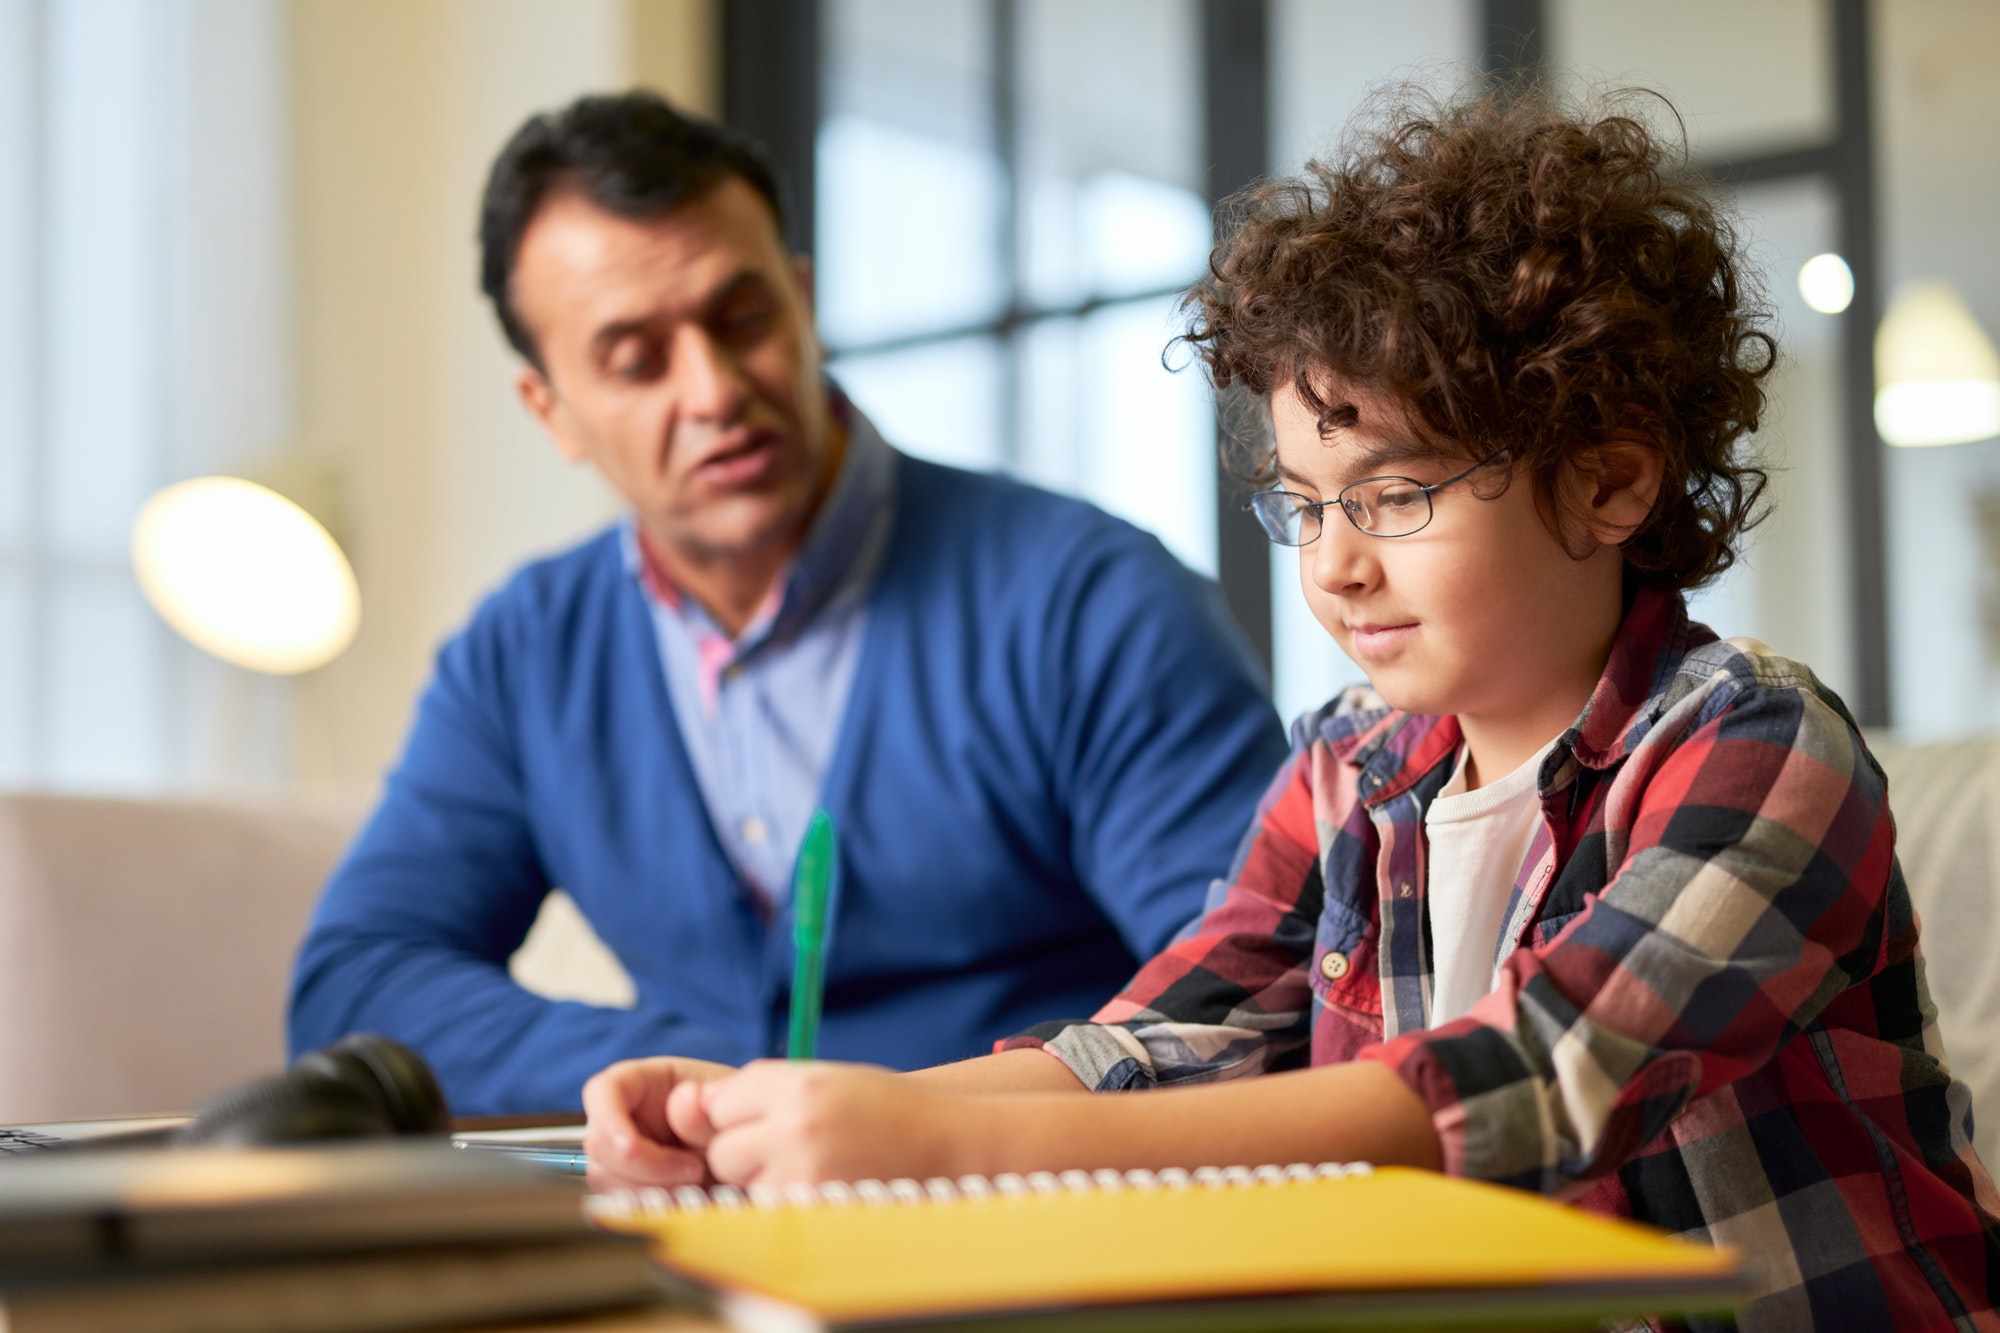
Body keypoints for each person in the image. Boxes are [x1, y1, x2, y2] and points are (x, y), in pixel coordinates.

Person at [582, 87, 2000, 1330]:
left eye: (1394, 495)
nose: (1334, 562)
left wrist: (943, 1155)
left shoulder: (1752, 744)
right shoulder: (1347, 769)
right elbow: (1146, 1050)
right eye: (1306, 505)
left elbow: (1535, 1080)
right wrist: (757, 1116)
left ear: (1609, 481)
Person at [286, 91, 1288, 1115]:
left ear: (801, 303)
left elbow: (1259, 986)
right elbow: (358, 983)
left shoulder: (1087, 601)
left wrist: (899, 1107)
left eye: (743, 318)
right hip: (691, 1231)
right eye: (635, 359)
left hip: (1026, 1216)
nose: (713, 391)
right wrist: (703, 1080)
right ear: (552, 410)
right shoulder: (525, 651)